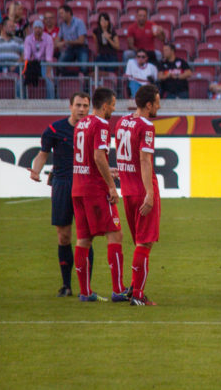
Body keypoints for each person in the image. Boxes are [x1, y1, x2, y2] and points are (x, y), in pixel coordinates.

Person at [28, 92, 94, 297]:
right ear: (70, 106)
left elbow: (98, 158)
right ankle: (66, 285)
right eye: (78, 105)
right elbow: (42, 154)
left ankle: (86, 287)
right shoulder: (55, 129)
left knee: (86, 237)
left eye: (85, 106)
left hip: (86, 185)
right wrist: (36, 170)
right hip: (63, 185)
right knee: (64, 236)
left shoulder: (94, 128)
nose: (82, 109)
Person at [72, 87, 129, 302]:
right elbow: (98, 156)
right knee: (115, 235)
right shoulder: (101, 124)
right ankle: (118, 289)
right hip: (95, 190)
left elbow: (87, 159)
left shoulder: (81, 124)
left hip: (78, 187)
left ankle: (85, 292)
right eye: (113, 105)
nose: (114, 109)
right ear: (105, 105)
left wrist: (107, 170)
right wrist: (111, 187)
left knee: (83, 239)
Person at [115, 84, 161, 306]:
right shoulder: (146, 126)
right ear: (149, 104)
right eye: (157, 103)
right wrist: (150, 194)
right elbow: (144, 160)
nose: (159, 107)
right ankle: (138, 295)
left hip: (127, 190)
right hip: (142, 189)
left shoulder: (121, 122)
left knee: (139, 242)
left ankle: (134, 287)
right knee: (145, 243)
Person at [23, 20, 55, 99]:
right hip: (32, 63)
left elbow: (49, 57)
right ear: (33, 29)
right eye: (36, 28)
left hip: (44, 63)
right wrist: (24, 70)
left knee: (50, 81)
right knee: (20, 81)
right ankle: (21, 100)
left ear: (43, 29)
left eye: (40, 28)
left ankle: (51, 102)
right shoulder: (28, 39)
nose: (38, 30)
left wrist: (48, 72)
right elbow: (27, 56)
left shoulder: (48, 38)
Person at [55, 5, 89, 75]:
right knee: (59, 65)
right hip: (69, 48)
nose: (60, 16)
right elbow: (58, 38)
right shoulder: (62, 25)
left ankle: (85, 84)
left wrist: (65, 42)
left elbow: (81, 41)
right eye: (59, 14)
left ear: (68, 13)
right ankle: (71, 77)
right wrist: (57, 43)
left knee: (84, 67)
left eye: (62, 13)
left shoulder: (79, 23)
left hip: (81, 48)